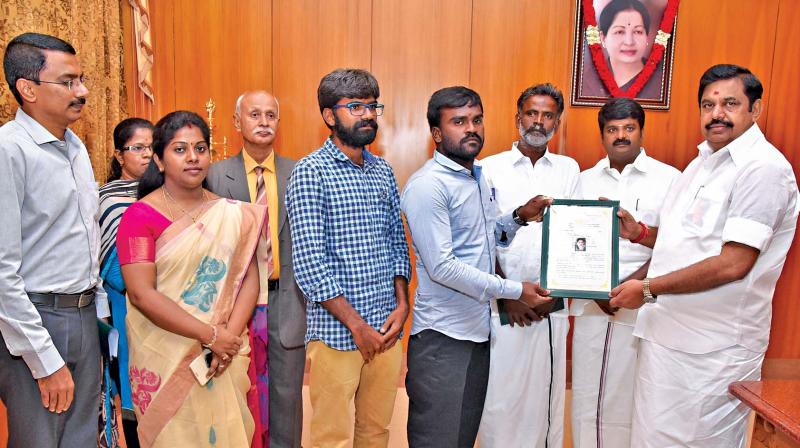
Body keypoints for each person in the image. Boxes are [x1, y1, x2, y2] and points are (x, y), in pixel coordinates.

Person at [610, 64, 799, 446]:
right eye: (708, 104)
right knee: (652, 440)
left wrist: (645, 289)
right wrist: (641, 234)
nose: (717, 114)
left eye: (730, 103)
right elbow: (691, 242)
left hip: (713, 350)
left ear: (756, 109)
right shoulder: (701, 163)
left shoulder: (762, 169)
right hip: (667, 338)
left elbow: (734, 262)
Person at [402, 86, 553, 447]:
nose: (471, 129)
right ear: (437, 134)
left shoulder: (478, 178)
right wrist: (516, 290)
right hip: (442, 341)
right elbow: (444, 267)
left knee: (463, 439)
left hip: (477, 334)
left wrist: (518, 217)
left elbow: (484, 241)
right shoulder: (428, 186)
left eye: (476, 120)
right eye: (458, 122)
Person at [117, 111, 266, 447]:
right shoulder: (139, 217)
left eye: (200, 148)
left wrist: (226, 341)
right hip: (165, 351)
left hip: (223, 352)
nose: (193, 157)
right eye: (180, 149)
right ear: (158, 158)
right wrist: (209, 335)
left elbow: (248, 281)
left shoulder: (234, 214)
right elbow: (141, 294)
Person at [286, 68, 411, 447]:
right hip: (338, 332)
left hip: (386, 330)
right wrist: (357, 327)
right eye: (355, 106)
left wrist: (403, 304)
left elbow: (397, 243)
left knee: (376, 432)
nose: (368, 115)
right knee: (332, 437)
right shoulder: (310, 172)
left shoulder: (382, 171)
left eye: (373, 106)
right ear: (329, 115)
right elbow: (310, 264)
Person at [0, 32, 109, 448]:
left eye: (81, 80)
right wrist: (43, 361)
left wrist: (98, 318)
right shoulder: (9, 151)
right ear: (27, 88)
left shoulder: (75, 147)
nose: (81, 92)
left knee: (80, 439)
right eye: (67, 82)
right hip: (34, 321)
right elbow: (2, 272)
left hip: (81, 316)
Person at [570, 98, 678, 447]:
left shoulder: (670, 179)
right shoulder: (582, 181)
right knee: (588, 396)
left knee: (636, 397)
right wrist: (595, 288)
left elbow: (675, 245)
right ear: (602, 135)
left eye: (629, 128)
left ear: (641, 132)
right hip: (592, 306)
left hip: (646, 305)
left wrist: (636, 284)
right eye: (612, 129)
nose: (621, 136)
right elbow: (572, 241)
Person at [477, 83, 579, 448]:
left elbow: (577, 235)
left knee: (545, 402)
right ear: (517, 117)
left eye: (548, 115)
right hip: (504, 305)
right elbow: (482, 239)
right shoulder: (487, 169)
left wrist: (559, 291)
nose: (538, 122)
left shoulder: (568, 170)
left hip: (550, 305)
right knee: (501, 401)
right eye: (532, 113)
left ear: (557, 121)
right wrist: (508, 296)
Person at [207, 90, 306, 448]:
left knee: (287, 401)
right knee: (235, 395)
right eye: (254, 115)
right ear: (237, 122)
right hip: (233, 305)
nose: (264, 122)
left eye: (270, 115)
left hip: (287, 302)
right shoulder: (215, 176)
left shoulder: (300, 173)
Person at [99, 117, 155, 448]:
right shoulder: (107, 197)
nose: (147, 155)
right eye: (138, 148)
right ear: (120, 155)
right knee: (132, 385)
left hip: (168, 304)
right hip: (124, 305)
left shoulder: (167, 193)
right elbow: (107, 261)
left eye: (152, 147)